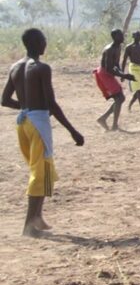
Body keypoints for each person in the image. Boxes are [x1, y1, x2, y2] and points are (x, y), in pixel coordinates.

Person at [2, 29, 85, 237]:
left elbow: (4, 100)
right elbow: (51, 103)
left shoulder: (15, 67)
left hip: (23, 122)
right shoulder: (41, 68)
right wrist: (72, 130)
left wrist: (26, 106)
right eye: (43, 40)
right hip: (38, 122)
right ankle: (28, 226)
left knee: (41, 169)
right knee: (40, 172)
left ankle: (37, 217)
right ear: (36, 43)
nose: (45, 43)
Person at [94, 29, 135, 131]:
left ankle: (104, 119)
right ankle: (113, 125)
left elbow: (116, 64)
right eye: (120, 35)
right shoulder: (109, 49)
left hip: (108, 73)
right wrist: (124, 75)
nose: (123, 37)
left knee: (120, 98)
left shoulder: (118, 47)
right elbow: (108, 68)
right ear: (115, 37)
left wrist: (122, 74)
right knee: (120, 98)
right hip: (104, 73)